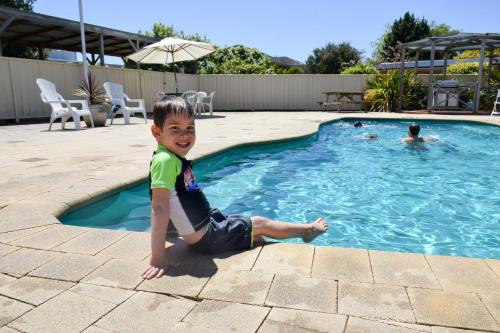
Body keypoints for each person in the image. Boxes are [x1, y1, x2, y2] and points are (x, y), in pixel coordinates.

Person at [142, 97, 329, 280]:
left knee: (242, 224)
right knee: (260, 223)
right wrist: (158, 256)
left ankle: (249, 235)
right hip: (207, 238)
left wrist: (171, 232)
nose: (185, 135)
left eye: (190, 127)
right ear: (157, 132)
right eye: (175, 128)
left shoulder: (168, 156)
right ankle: (307, 230)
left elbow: (173, 199)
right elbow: (159, 206)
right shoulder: (165, 160)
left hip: (206, 224)